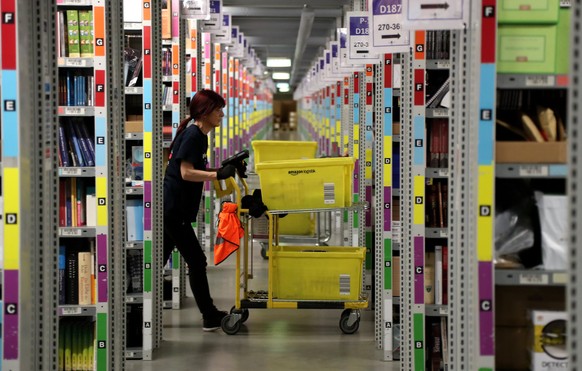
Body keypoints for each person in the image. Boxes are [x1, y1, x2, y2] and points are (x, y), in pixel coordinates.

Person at [163, 89, 236, 331]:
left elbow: (193, 167)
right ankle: (209, 315)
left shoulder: (198, 134)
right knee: (197, 260)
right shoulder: (194, 135)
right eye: (218, 110)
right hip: (175, 210)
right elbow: (185, 172)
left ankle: (131, 304)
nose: (222, 115)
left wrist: (221, 168)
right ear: (205, 113)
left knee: (156, 261)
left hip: (175, 209)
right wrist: (216, 174)